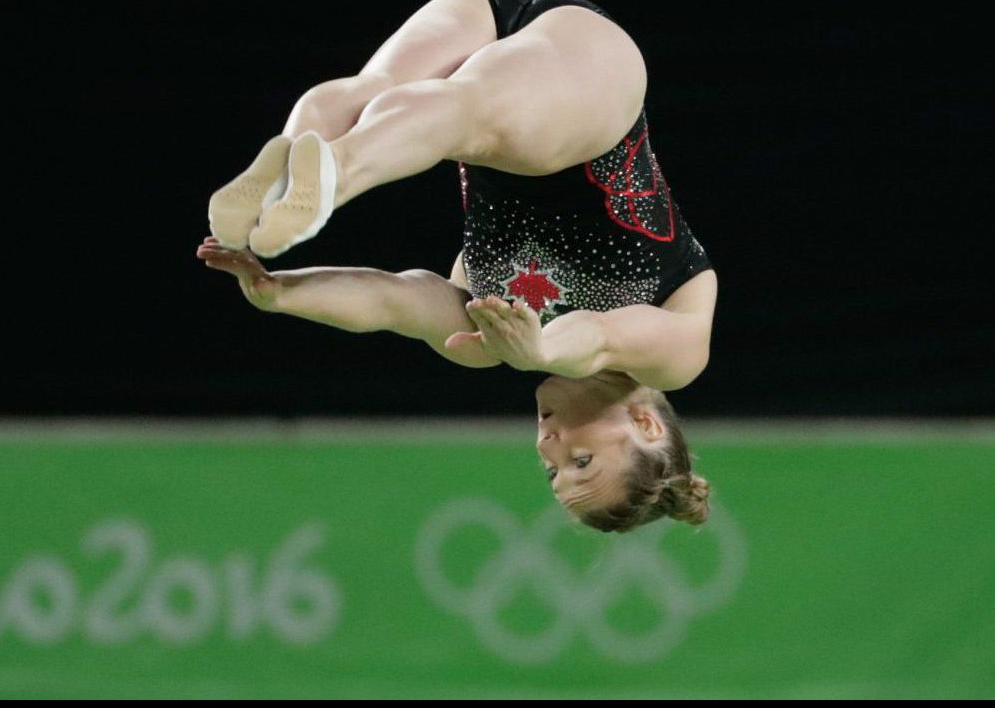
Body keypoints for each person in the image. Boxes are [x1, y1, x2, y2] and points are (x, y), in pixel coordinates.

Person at [199, 0, 717, 533]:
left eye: (550, 470)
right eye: (582, 461)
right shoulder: (674, 360)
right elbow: (601, 335)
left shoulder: (489, 341)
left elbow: (393, 300)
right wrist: (539, 350)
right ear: (645, 424)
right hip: (592, 88)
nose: (547, 444)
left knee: (369, 95)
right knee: (468, 116)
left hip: (485, 39)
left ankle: (294, 170)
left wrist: (281, 291)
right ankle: (331, 174)